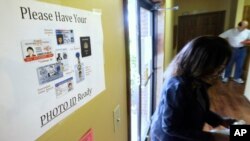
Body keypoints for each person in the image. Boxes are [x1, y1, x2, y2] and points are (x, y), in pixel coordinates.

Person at [150, 36, 238, 141]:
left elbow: (200, 110)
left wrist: (222, 121)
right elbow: (171, 127)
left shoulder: (196, 81)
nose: (219, 72)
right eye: (218, 66)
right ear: (202, 63)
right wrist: (213, 137)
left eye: (222, 66)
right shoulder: (178, 87)